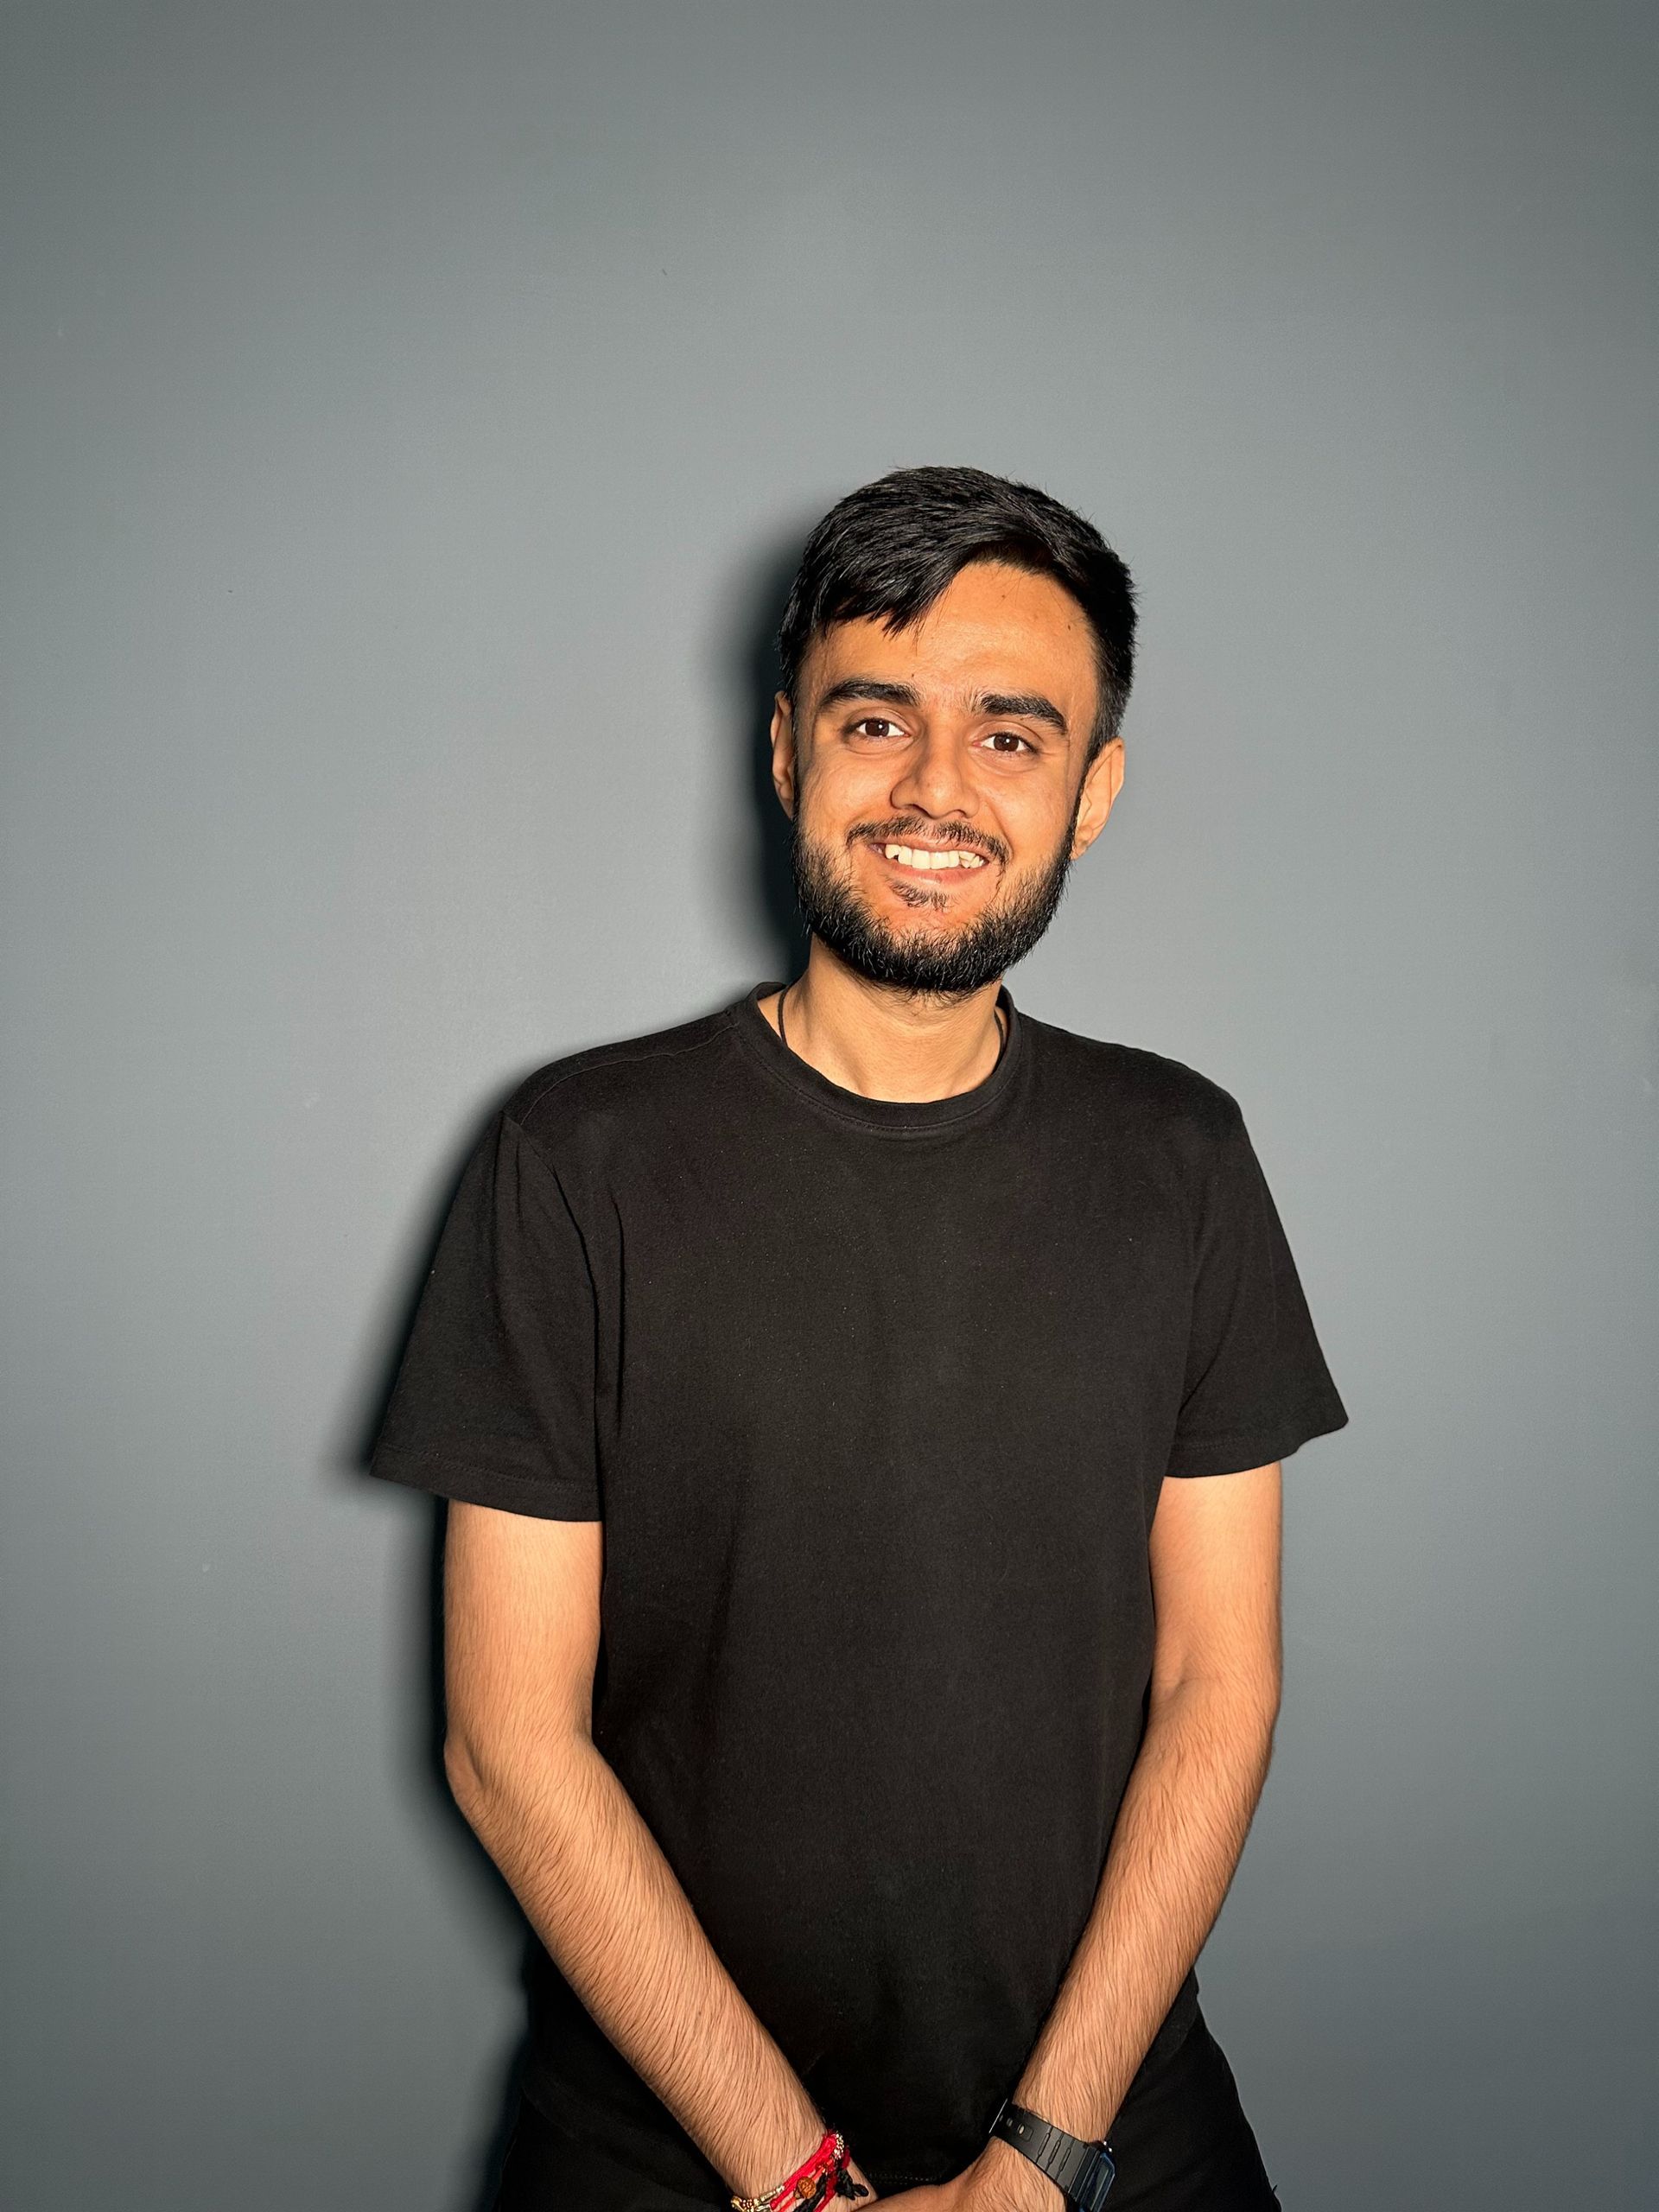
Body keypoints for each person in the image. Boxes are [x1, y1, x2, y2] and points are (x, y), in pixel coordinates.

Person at [370, 465, 1347, 2211]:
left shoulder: (1182, 1158)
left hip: (1111, 2122)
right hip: (670, 2148)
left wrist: (1045, 2153)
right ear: (784, 747)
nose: (935, 789)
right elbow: (509, 1738)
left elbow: (1222, 1681)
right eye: (876, 718)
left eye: (1013, 734)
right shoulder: (575, 1159)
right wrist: (802, 2177)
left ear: (1095, 788)